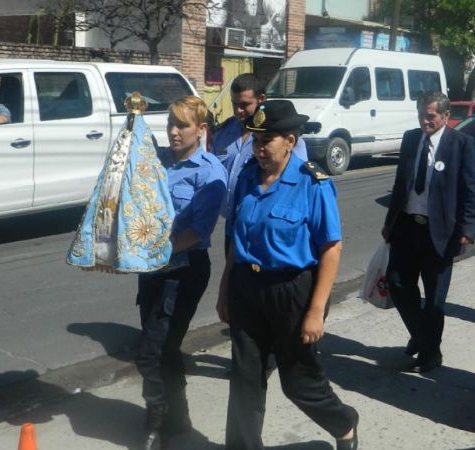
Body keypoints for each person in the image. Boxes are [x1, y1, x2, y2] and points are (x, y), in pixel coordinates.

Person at [216, 100, 359, 450]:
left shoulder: (313, 183)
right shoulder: (248, 176)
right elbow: (237, 239)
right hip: (246, 287)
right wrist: (224, 290)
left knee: (298, 381)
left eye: (268, 140)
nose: (260, 148)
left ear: (291, 141)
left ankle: (344, 424)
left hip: (292, 292)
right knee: (245, 377)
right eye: (255, 140)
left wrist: (315, 310)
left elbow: (331, 249)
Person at [135, 96, 227, 450]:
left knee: (151, 352)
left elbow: (197, 233)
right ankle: (178, 418)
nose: (173, 131)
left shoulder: (210, 172)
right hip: (155, 267)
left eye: (182, 125)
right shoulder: (159, 162)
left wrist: (153, 251)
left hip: (185, 271)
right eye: (170, 123)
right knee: (166, 347)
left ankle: (155, 423)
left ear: (201, 130)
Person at [381, 91, 475, 373]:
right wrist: (390, 222)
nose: (424, 121)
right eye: (421, 114)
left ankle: (429, 354)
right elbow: (401, 183)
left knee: (435, 298)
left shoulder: (461, 144)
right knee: (398, 285)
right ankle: (423, 337)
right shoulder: (411, 139)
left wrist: (467, 228)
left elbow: (471, 190)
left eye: (431, 116)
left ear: (446, 116)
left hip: (441, 234)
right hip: (406, 227)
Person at [213, 73, 308, 254]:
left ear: (261, 99)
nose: (238, 111)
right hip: (235, 223)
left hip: (269, 223)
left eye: (244, 105)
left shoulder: (281, 135)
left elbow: (298, 182)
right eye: (234, 104)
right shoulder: (223, 132)